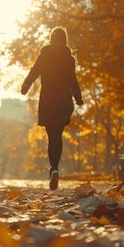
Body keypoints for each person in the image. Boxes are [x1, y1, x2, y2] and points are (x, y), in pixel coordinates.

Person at [20, 26, 83, 190]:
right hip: (63, 99)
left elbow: (35, 71)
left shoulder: (45, 55)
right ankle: (55, 168)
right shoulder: (69, 59)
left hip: (48, 99)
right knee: (58, 135)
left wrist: (26, 85)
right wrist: (78, 96)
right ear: (65, 40)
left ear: (51, 39)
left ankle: (53, 169)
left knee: (51, 136)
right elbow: (72, 79)